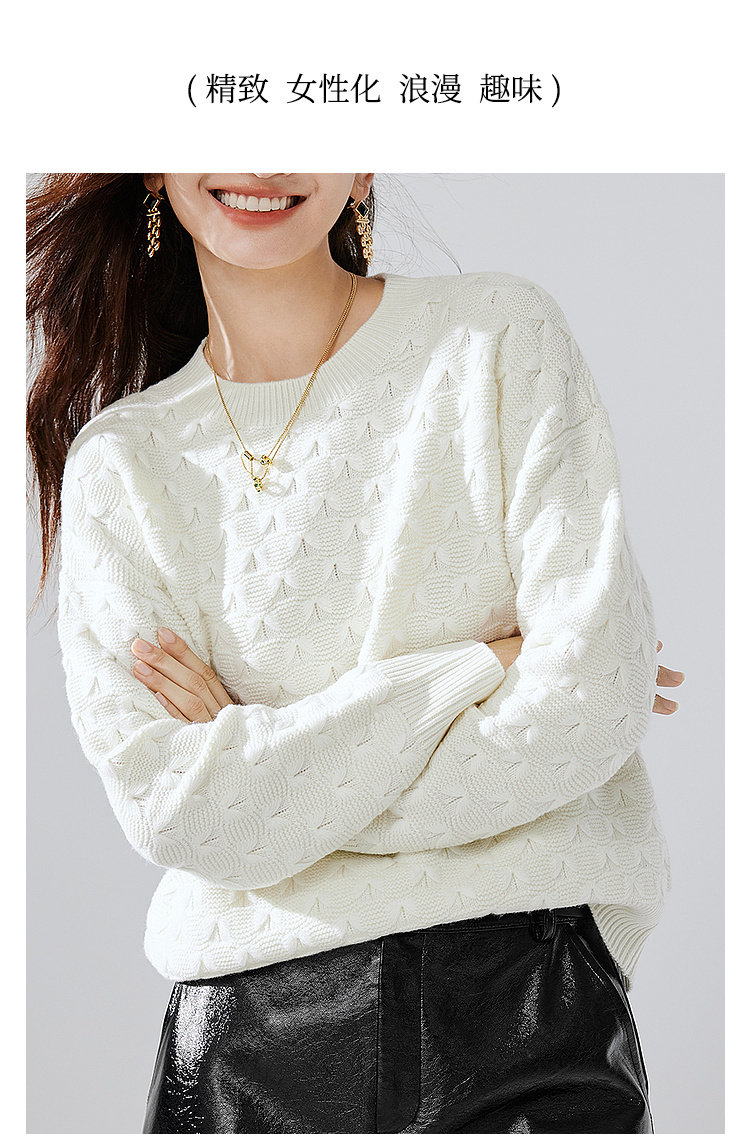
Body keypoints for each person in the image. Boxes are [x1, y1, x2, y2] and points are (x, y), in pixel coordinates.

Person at [26, 173, 683, 1134]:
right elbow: (185, 811)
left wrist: (273, 784)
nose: (263, 156)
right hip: (248, 1054)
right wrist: (468, 670)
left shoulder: (496, 340)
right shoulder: (123, 467)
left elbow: (592, 699)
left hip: (526, 1012)